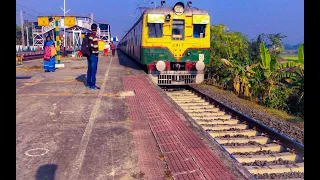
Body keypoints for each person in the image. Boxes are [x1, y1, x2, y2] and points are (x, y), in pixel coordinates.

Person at [86, 24, 100, 90]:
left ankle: (88, 84)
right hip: (94, 55)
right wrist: (97, 53)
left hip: (88, 55)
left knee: (89, 70)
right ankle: (93, 86)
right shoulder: (94, 36)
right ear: (96, 29)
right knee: (93, 71)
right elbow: (95, 47)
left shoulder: (88, 35)